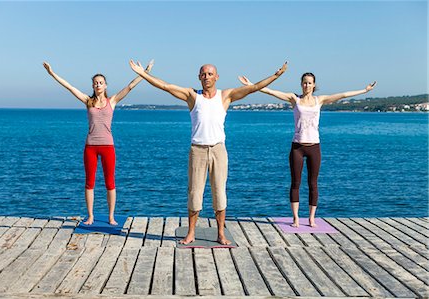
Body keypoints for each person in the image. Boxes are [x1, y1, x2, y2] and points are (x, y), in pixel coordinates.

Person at [130, 59, 288, 244]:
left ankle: (220, 233)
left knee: (219, 192)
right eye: (203, 74)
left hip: (218, 150)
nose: (207, 77)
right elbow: (165, 86)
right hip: (197, 150)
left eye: (210, 74)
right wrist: (142, 73)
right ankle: (191, 233)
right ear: (199, 77)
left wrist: (276, 76)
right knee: (195, 193)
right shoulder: (192, 96)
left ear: (217, 77)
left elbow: (253, 88)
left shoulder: (225, 96)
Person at [239, 72, 376, 228]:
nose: (307, 85)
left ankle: (311, 218)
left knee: (313, 183)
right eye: (304, 83)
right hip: (297, 147)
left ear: (314, 85)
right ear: (301, 84)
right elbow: (271, 92)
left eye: (310, 83)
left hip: (314, 147)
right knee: (295, 183)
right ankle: (296, 218)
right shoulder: (294, 99)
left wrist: (364, 91)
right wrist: (251, 85)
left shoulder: (320, 100)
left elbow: (342, 95)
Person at [43, 60, 154, 225]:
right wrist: (52, 73)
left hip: (108, 146)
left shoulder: (113, 101)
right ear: (93, 86)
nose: (98, 84)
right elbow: (69, 87)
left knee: (110, 182)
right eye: (95, 83)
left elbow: (130, 86)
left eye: (101, 82)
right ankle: (90, 216)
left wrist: (145, 71)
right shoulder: (88, 101)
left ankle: (111, 216)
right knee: (90, 182)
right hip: (90, 147)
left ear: (106, 85)